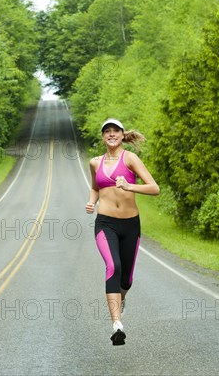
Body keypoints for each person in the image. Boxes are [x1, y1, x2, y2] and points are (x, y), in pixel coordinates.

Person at [85, 118, 160, 346]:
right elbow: (95, 187)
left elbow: (154, 188)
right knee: (113, 267)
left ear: (121, 134)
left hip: (130, 225)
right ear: (102, 137)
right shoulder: (95, 163)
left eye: (115, 131)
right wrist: (91, 202)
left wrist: (130, 186)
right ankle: (117, 324)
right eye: (106, 131)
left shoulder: (130, 159)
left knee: (126, 279)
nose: (111, 134)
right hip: (105, 224)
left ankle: (121, 298)